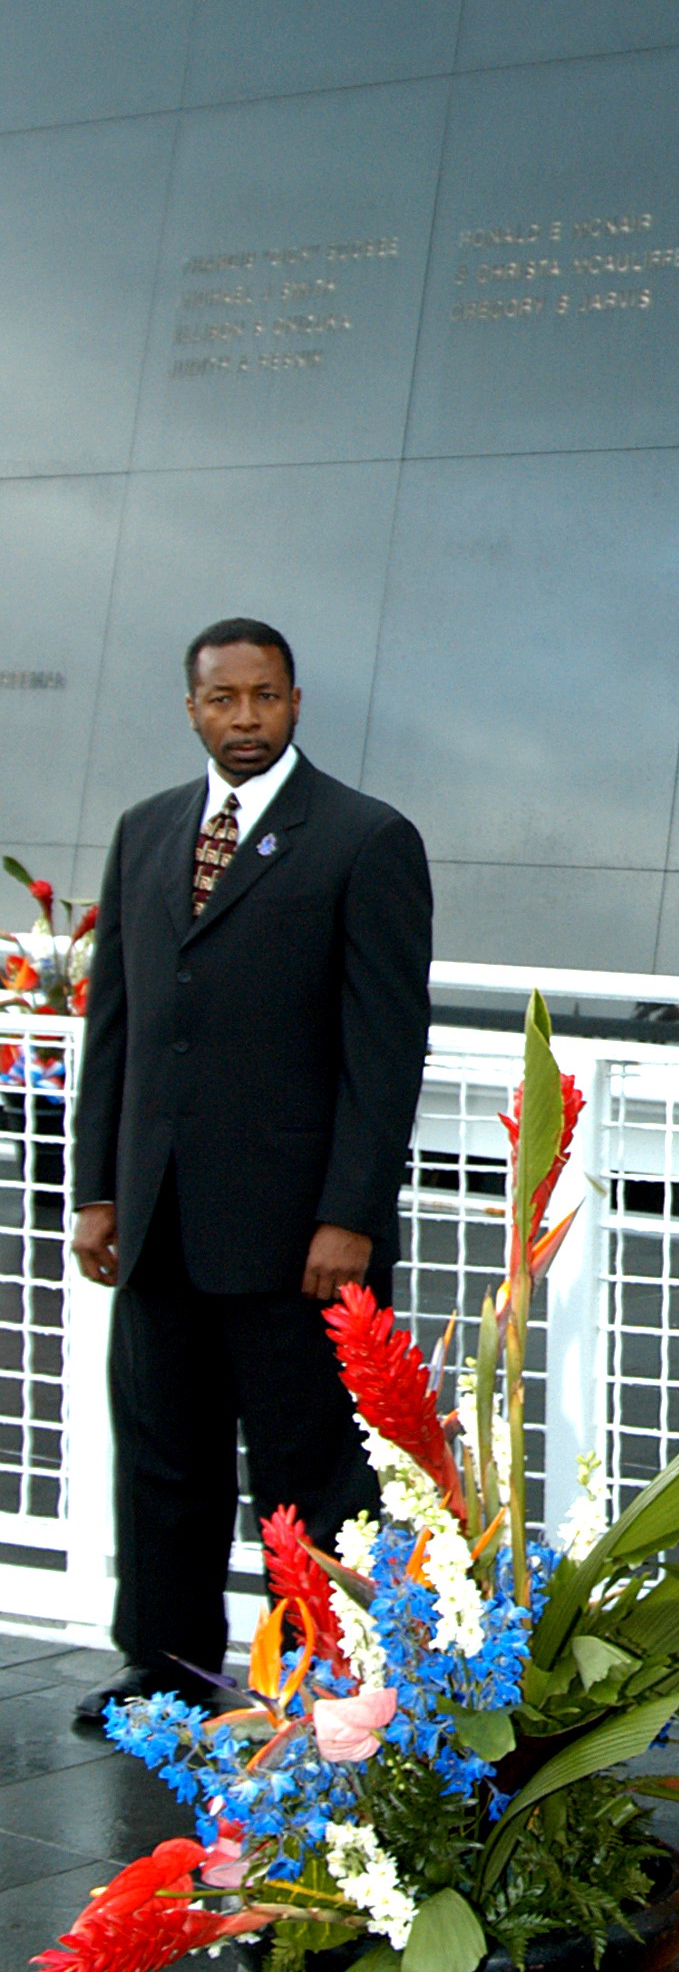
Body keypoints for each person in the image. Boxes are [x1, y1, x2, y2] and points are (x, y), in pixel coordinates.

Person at [69, 618, 433, 1730]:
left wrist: (351, 1216)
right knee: (164, 1460)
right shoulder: (145, 832)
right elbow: (119, 1031)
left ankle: (315, 1681)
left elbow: (385, 1049)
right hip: (161, 1219)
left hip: (297, 1237)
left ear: (295, 702)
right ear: (191, 707)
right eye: (222, 699)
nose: (243, 718)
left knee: (306, 1469)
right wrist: (96, 1189)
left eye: (263, 698)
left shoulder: (366, 840)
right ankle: (165, 1666)